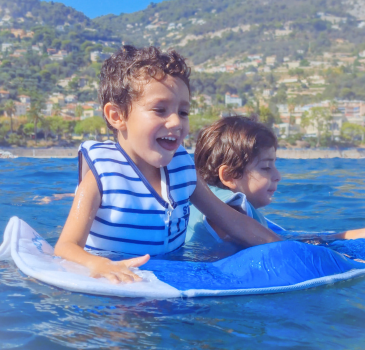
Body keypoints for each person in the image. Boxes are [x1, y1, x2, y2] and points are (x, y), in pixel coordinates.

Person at [54, 46, 283, 284]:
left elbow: (232, 221)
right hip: (113, 290)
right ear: (117, 116)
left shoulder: (183, 171)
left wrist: (285, 249)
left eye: (183, 112)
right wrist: (100, 265)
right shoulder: (102, 176)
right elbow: (66, 247)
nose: (175, 122)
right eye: (160, 110)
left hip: (167, 281)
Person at [190, 116, 365, 246]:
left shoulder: (205, 199)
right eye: (266, 167)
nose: (277, 175)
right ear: (229, 176)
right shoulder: (231, 212)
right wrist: (342, 241)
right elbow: (277, 247)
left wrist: (342, 235)